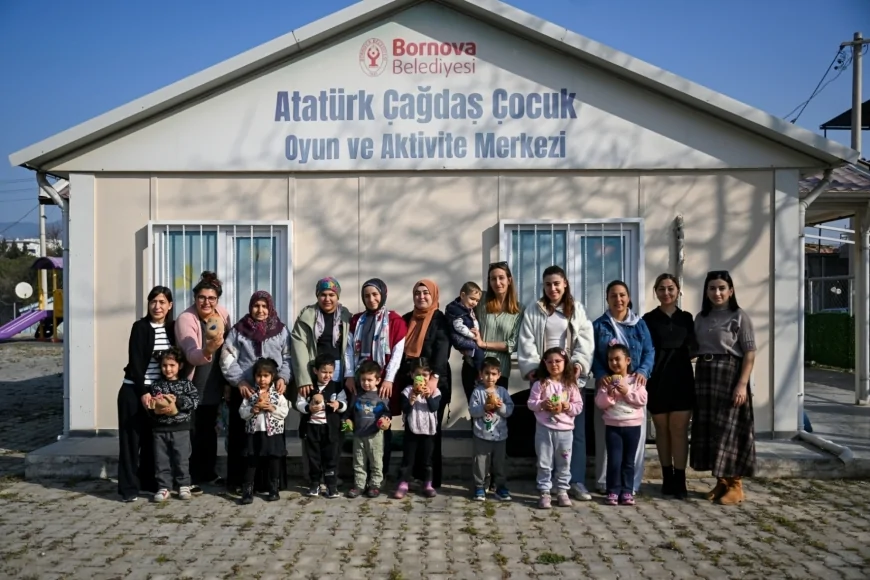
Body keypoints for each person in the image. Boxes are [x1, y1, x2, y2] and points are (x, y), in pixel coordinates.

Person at [517, 265, 594, 501]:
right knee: (545, 433)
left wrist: (579, 363)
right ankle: (547, 485)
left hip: (569, 377)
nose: (553, 288)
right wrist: (532, 368)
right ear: (543, 286)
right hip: (544, 376)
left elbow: (585, 339)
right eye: (548, 284)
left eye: (557, 283)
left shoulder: (576, 309)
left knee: (574, 433)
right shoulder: (535, 309)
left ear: (565, 284)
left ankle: (575, 481)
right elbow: (527, 339)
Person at [691, 270, 757, 505]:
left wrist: (742, 384)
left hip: (730, 377)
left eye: (721, 288)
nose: (716, 293)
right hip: (705, 376)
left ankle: (736, 485)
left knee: (729, 431)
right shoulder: (701, 317)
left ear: (731, 291)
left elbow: (749, 353)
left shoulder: (739, 316)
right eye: (712, 288)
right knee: (711, 430)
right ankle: (721, 482)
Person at [221, 291, 292, 493]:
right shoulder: (238, 331)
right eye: (256, 306)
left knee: (271, 440)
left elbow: (288, 357)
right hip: (245, 392)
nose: (260, 310)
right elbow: (227, 357)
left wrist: (283, 378)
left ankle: (272, 483)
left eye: (264, 306)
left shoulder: (281, 330)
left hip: (272, 392)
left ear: (269, 307)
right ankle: (242, 483)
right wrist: (240, 381)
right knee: (245, 441)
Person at [590, 280, 654, 495]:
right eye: (613, 295)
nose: (618, 299)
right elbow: (594, 357)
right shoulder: (599, 325)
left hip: (633, 385)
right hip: (608, 386)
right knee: (607, 437)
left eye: (622, 295)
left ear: (628, 298)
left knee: (634, 438)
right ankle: (605, 483)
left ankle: (630, 486)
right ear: (607, 299)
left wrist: (643, 371)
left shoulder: (640, 324)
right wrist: (600, 376)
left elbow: (649, 351)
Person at [343, 278, 407, 478]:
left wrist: (388, 379)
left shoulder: (395, 321)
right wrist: (349, 375)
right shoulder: (357, 320)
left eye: (375, 294)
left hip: (381, 382)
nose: (371, 299)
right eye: (367, 295)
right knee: (361, 419)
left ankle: (381, 471)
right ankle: (360, 472)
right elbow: (348, 348)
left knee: (381, 422)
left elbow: (398, 352)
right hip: (360, 381)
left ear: (383, 295)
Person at [290, 277, 352, 483]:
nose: (327, 298)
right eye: (323, 294)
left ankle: (331, 475)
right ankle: (312, 474)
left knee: (334, 425)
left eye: (331, 295)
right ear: (317, 296)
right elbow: (298, 347)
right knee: (312, 426)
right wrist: (304, 379)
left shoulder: (345, 316)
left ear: (337, 296)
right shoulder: (307, 316)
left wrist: (349, 376)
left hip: (337, 375)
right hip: (313, 374)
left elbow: (350, 347)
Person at [118, 285, 175, 502]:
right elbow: (136, 363)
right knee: (131, 440)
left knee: (154, 440)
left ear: (169, 305)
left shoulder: (172, 329)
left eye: (162, 302)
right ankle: (128, 488)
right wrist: (143, 392)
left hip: (158, 392)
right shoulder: (140, 327)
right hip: (134, 389)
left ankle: (149, 483)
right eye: (153, 302)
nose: (157, 306)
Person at [176, 271, 230, 494]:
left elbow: (228, 347)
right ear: (194, 297)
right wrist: (208, 349)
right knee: (191, 431)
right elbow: (190, 354)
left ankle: (208, 472)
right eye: (202, 297)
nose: (206, 302)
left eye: (211, 298)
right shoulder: (186, 319)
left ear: (217, 299)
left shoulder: (223, 314)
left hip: (215, 381)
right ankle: (189, 476)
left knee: (209, 430)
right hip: (194, 382)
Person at [642, 274, 696, 499]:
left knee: (679, 431)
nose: (666, 293)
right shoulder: (648, 319)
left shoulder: (687, 318)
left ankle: (680, 479)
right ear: (655, 291)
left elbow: (694, 348)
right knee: (662, 431)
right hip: (657, 380)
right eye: (662, 289)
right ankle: (667, 478)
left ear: (678, 290)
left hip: (682, 379)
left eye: (670, 288)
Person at [399, 279, 452, 488]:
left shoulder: (440, 319)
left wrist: (434, 380)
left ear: (433, 295)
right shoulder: (406, 319)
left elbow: (443, 348)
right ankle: (411, 475)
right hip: (411, 382)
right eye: (417, 293)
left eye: (425, 293)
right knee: (412, 430)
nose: (421, 297)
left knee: (431, 431)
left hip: (436, 382)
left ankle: (431, 479)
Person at [527, 348, 583, 509]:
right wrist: (542, 404)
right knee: (544, 462)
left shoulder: (570, 386)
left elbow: (578, 406)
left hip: (565, 431)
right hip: (545, 429)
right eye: (550, 361)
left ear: (565, 363)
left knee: (564, 462)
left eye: (558, 361)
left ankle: (562, 491)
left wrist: (567, 406)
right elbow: (531, 403)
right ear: (544, 364)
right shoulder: (540, 384)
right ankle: (545, 491)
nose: (554, 365)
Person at [460, 262, 523, 401]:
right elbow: (456, 311)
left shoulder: (519, 309)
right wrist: (461, 344)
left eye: (501, 278)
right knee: (476, 416)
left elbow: (513, 344)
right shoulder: (480, 300)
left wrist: (484, 344)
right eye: (493, 278)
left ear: (509, 280)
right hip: (474, 367)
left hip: (498, 372)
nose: (497, 282)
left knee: (496, 416)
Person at [595, 343, 648, 506]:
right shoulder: (606, 382)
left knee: (628, 461)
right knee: (614, 460)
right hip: (613, 426)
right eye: (610, 360)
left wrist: (626, 392)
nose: (614, 363)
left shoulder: (635, 381)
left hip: (632, 426)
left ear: (627, 360)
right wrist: (610, 395)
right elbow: (600, 403)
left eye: (618, 359)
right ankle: (613, 491)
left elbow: (642, 400)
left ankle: (627, 491)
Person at [148, 347, 199, 502]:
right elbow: (151, 406)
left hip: (181, 429)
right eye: (164, 365)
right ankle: (164, 487)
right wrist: (159, 409)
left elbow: (194, 402)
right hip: (160, 429)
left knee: (181, 458)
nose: (168, 369)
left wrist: (177, 401)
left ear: (180, 366)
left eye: (172, 365)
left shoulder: (186, 385)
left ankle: (184, 484)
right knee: (161, 459)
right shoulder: (157, 386)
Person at [238, 357, 290, 504]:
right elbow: (242, 412)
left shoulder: (278, 395)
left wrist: (272, 408)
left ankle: (274, 488)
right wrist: (252, 410)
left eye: (266, 376)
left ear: (272, 377)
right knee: (251, 462)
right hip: (254, 434)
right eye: (259, 376)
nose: (262, 379)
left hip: (273, 434)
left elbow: (284, 412)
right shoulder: (251, 395)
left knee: (274, 460)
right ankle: (247, 490)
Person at [296, 354, 348, 498]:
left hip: (330, 429)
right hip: (312, 428)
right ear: (316, 371)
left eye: (330, 372)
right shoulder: (309, 387)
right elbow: (299, 403)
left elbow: (344, 404)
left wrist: (339, 405)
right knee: (314, 458)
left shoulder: (337, 387)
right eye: (324, 372)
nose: (327, 375)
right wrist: (308, 408)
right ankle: (314, 484)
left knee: (330, 457)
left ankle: (331, 485)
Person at [393, 359, 442, 499]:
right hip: (412, 429)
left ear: (430, 375)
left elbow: (434, 408)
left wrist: (427, 396)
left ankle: (427, 483)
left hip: (428, 430)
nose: (422, 378)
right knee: (408, 459)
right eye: (418, 375)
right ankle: (403, 483)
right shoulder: (407, 391)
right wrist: (411, 400)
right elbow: (405, 410)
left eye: (425, 375)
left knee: (427, 459)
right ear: (412, 375)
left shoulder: (435, 391)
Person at [468, 356, 514, 501]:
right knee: (480, 463)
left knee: (499, 464)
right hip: (481, 435)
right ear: (481, 374)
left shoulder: (502, 392)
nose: (490, 377)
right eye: (487, 373)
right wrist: (484, 408)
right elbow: (473, 411)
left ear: (499, 375)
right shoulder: (477, 392)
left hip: (500, 436)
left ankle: (499, 487)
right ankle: (479, 486)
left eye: (493, 374)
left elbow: (509, 411)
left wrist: (501, 407)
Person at [344, 360, 391, 498]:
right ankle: (359, 485)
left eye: (370, 380)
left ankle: (375, 485)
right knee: (358, 462)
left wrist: (385, 420)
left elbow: (387, 413)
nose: (366, 383)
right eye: (363, 380)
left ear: (378, 380)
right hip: (358, 435)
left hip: (375, 435)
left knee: (376, 462)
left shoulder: (382, 396)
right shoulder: (356, 395)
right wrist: (347, 421)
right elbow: (349, 413)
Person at [445, 281, 484, 370]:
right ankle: (480, 372)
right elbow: (458, 326)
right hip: (459, 338)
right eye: (472, 299)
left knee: (478, 352)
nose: (475, 303)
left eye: (477, 300)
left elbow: (474, 319)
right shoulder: (456, 310)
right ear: (462, 295)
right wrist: (472, 335)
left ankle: (470, 358)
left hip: (467, 336)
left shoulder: (468, 309)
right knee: (479, 352)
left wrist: (476, 330)